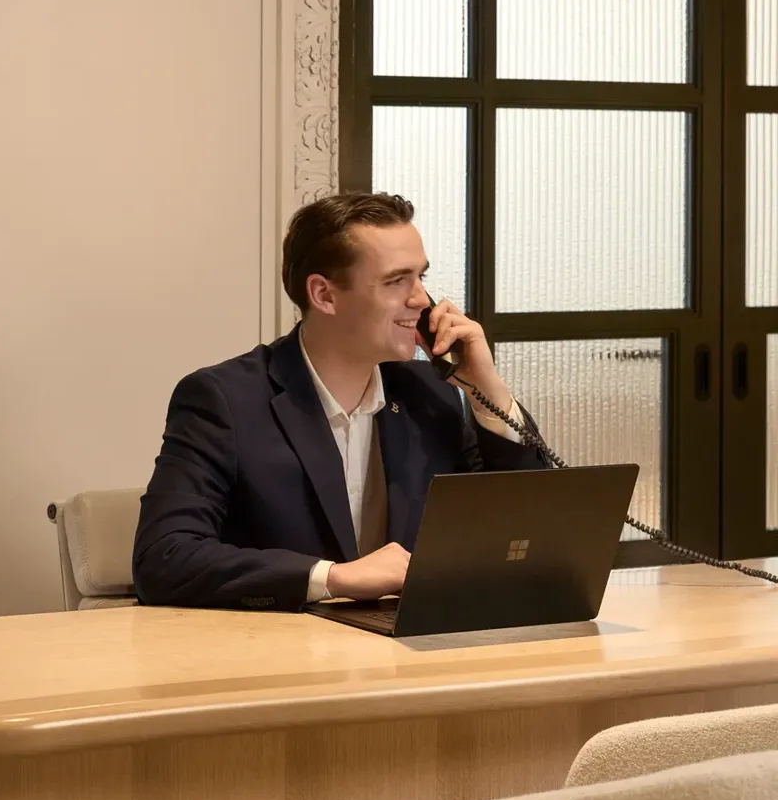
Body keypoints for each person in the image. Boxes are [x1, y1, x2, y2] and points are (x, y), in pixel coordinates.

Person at [132, 192, 548, 611]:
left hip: (413, 657)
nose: (422, 300)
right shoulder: (225, 400)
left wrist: (486, 391)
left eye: (421, 276)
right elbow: (163, 558)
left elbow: (530, 527)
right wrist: (333, 577)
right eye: (396, 280)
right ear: (324, 295)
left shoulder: (431, 392)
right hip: (281, 657)